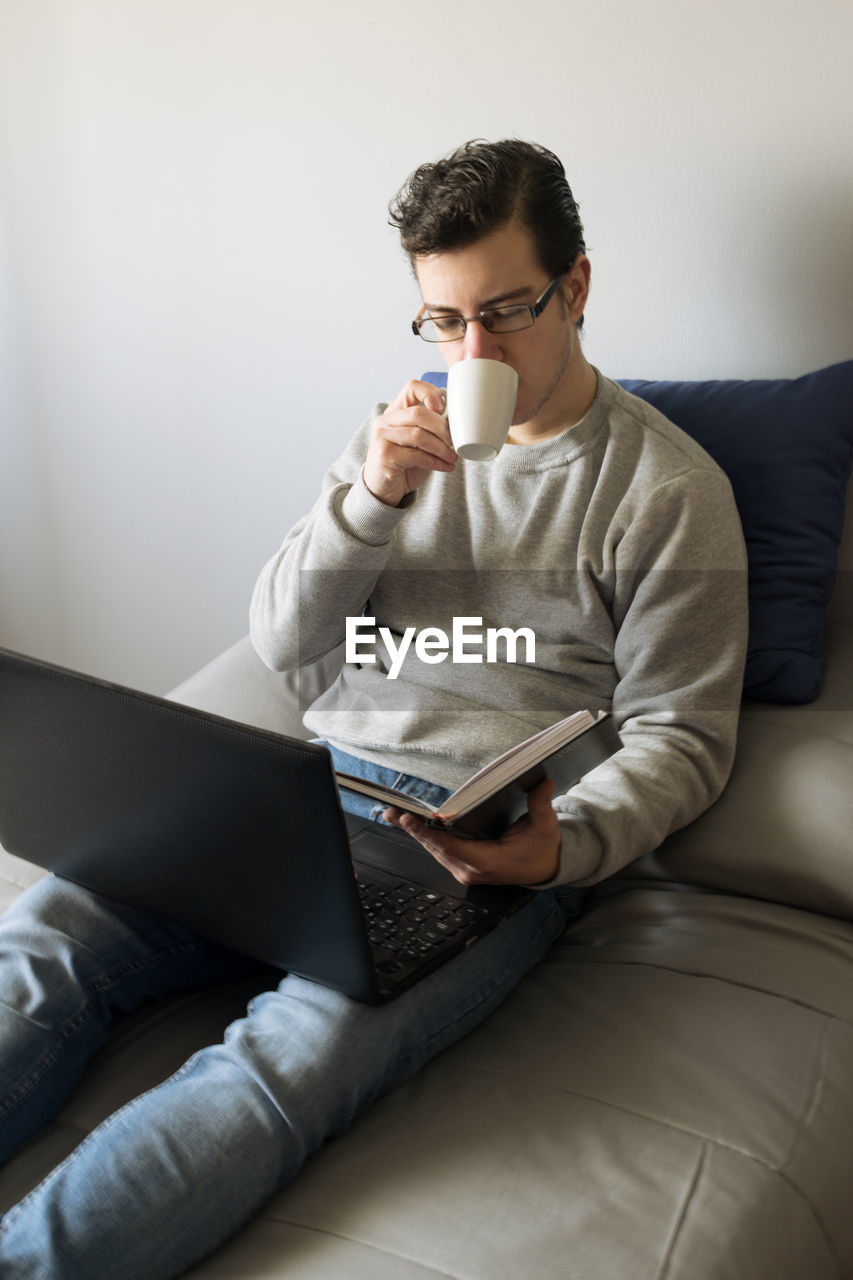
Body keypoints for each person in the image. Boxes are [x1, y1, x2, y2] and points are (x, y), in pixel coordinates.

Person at [0, 139, 748, 1278]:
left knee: (279, 1067)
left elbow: (684, 735)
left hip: (465, 843)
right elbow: (285, 645)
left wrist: (566, 848)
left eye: (504, 312)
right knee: (43, 939)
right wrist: (371, 498)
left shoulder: (667, 491)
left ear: (577, 286)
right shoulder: (393, 436)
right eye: (443, 323)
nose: (472, 352)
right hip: (301, 793)